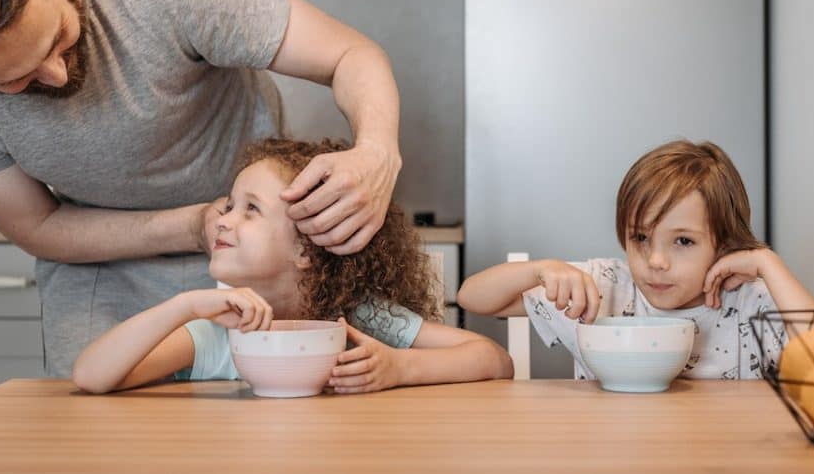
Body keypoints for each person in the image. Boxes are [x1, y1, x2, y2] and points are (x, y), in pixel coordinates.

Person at [0, 0, 404, 375]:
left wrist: (377, 152)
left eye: (57, 39)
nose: (57, 77)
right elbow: (37, 225)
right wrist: (189, 226)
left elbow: (348, 56)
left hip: (251, 258)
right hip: (99, 264)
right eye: (14, 82)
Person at [72, 139, 512, 394]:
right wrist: (185, 306)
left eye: (251, 210)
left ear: (308, 248)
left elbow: (493, 360)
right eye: (229, 206)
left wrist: (401, 368)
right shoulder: (217, 332)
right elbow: (91, 376)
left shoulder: (362, 320)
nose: (222, 219)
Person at [457, 140, 814, 380]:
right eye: (641, 238)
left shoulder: (749, 300)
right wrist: (538, 269)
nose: (656, 260)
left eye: (683, 241)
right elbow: (471, 297)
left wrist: (768, 264)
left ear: (724, 244)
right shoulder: (603, 287)